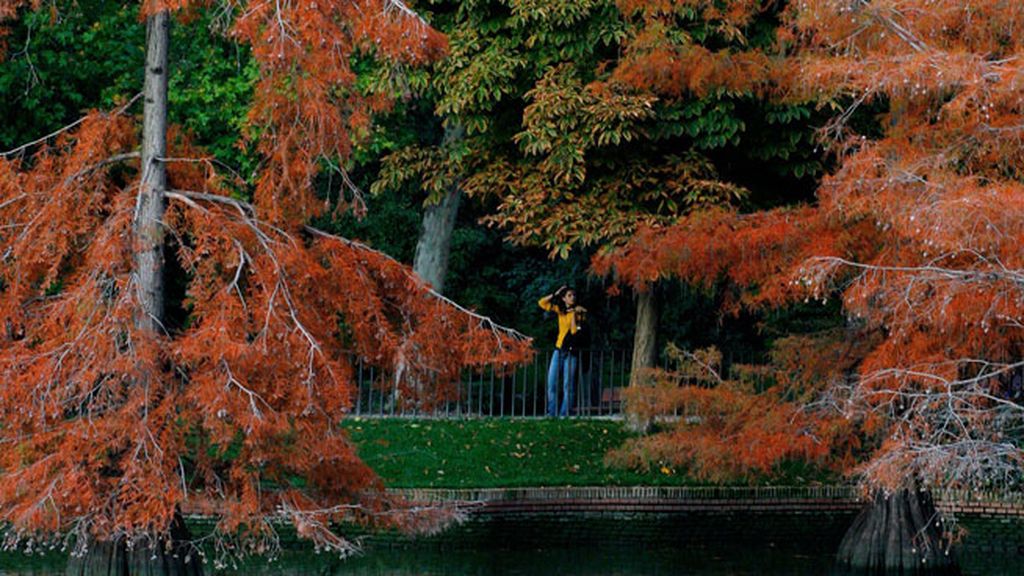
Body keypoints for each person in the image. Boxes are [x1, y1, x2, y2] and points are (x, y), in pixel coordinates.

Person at [538, 286, 586, 417]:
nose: (572, 298)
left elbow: (574, 332)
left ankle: (565, 413)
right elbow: (542, 303)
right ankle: (551, 413)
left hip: (571, 352)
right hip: (559, 349)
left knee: (568, 385)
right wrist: (556, 294)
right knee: (552, 382)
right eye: (569, 295)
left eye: (574, 295)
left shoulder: (579, 312)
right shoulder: (561, 310)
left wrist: (574, 315)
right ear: (564, 298)